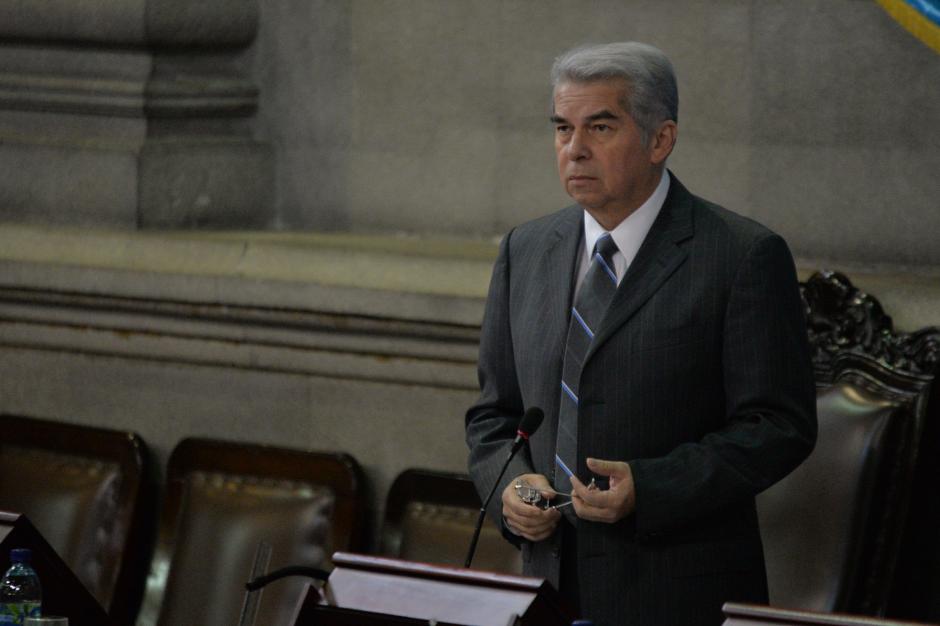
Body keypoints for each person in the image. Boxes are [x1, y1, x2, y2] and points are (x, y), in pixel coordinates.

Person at [465, 42, 817, 625]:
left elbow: (780, 425)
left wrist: (649, 488)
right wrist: (509, 488)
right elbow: (493, 416)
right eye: (562, 128)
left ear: (661, 139)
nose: (574, 149)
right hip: (544, 588)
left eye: (600, 127)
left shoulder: (741, 255)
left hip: (673, 595)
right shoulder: (524, 250)